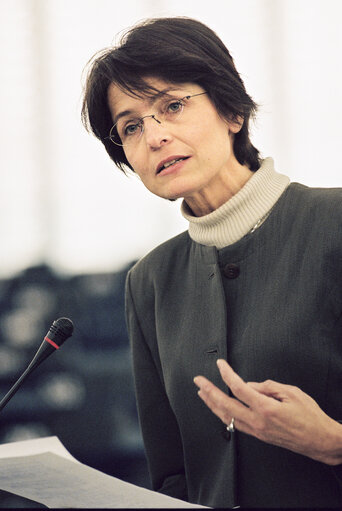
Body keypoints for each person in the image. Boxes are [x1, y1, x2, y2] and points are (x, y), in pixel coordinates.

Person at [81, 17, 342, 508]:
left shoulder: (335, 225)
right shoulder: (150, 281)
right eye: (130, 126)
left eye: (172, 106)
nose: (154, 136)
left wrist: (333, 444)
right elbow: (172, 474)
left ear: (233, 112)